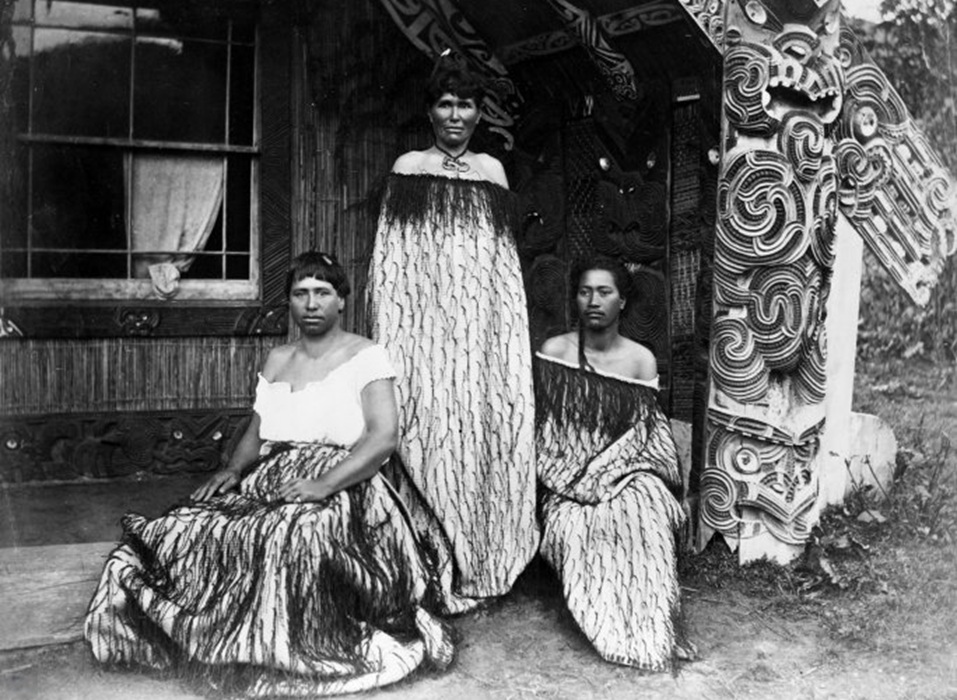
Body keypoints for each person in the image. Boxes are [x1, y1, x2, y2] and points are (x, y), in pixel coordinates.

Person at [84, 252, 452, 696]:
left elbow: (382, 439)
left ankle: (277, 648)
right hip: (270, 477)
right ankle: (216, 642)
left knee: (290, 539)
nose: (311, 304)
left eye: (323, 293)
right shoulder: (276, 358)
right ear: (289, 304)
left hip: (345, 483)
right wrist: (234, 468)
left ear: (341, 302)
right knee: (186, 528)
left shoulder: (366, 355)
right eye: (301, 294)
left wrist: (322, 485)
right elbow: (260, 429)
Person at [367, 54, 538, 614]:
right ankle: (427, 556)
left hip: (482, 331)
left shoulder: (493, 172)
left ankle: (480, 557)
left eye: (465, 104)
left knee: (480, 429)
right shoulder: (410, 166)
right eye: (445, 103)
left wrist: (501, 336)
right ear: (430, 110)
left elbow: (503, 267)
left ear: (479, 112)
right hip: (423, 330)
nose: (455, 115)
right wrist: (396, 337)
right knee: (425, 428)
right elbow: (390, 264)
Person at [536, 256, 692, 671]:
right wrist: (583, 480)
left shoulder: (641, 360)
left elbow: (646, 436)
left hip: (626, 472)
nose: (593, 300)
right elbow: (547, 435)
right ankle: (618, 633)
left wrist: (611, 476)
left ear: (622, 301)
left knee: (644, 508)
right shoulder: (556, 351)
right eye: (585, 291)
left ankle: (654, 628)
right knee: (584, 528)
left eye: (604, 292)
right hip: (568, 478)